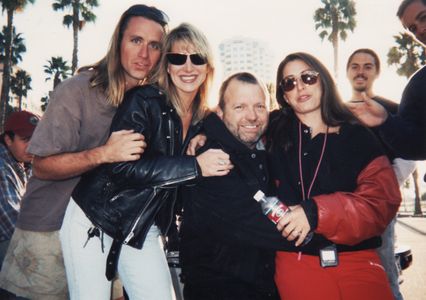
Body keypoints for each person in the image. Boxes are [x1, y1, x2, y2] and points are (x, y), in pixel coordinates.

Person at [0, 4, 168, 299]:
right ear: (118, 42)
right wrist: (104, 153)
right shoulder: (76, 90)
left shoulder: (148, 103)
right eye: (136, 40)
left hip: (106, 232)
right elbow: (41, 166)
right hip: (49, 229)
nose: (144, 54)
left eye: (154, 45)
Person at [60, 23, 231, 300]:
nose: (188, 67)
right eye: (177, 58)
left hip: (143, 226)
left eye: (197, 58)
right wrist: (195, 166)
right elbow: (122, 167)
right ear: (167, 65)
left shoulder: (205, 120)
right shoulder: (145, 100)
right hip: (95, 218)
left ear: (208, 66)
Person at [267, 52, 401, 300]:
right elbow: (236, 122)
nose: (300, 86)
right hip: (296, 264)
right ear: (284, 95)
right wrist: (206, 135)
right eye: (289, 82)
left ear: (323, 80)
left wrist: (316, 213)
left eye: (308, 77)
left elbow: (382, 202)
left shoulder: (357, 135)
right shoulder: (273, 132)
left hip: (358, 262)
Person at [180, 72, 281, 300]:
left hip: (260, 285)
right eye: (239, 107)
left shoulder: (258, 149)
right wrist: (319, 231)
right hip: (218, 290)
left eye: (259, 106)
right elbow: (255, 225)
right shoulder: (212, 159)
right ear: (220, 113)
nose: (252, 116)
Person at [346, 48, 416, 300]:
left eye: (367, 65)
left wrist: (381, 190)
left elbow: (410, 154)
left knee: (385, 273)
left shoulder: (394, 110)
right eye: (354, 66)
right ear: (346, 72)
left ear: (377, 72)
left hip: (380, 209)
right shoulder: (338, 113)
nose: (361, 71)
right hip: (343, 207)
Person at [347, 0, 426, 160]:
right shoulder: (417, 86)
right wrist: (385, 122)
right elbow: (416, 145)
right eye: (412, 29)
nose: (420, 30)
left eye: (423, 18)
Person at [0, 111, 39, 267]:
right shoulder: (2, 167)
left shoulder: (24, 162)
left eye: (36, 139)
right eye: (26, 139)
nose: (33, 146)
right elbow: (12, 224)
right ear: (8, 140)